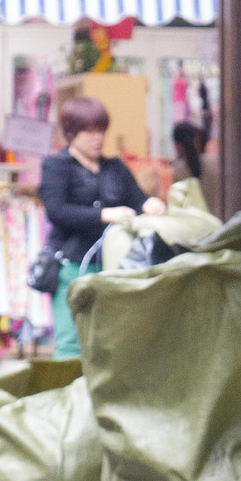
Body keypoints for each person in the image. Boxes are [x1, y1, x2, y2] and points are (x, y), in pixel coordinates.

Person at [39, 96, 166, 358]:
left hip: (114, 266)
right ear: (71, 133)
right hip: (70, 266)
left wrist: (151, 204)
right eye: (89, 131)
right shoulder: (56, 166)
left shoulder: (115, 167)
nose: (97, 138)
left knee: (109, 344)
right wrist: (105, 214)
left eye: (100, 131)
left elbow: (138, 200)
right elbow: (57, 211)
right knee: (71, 344)